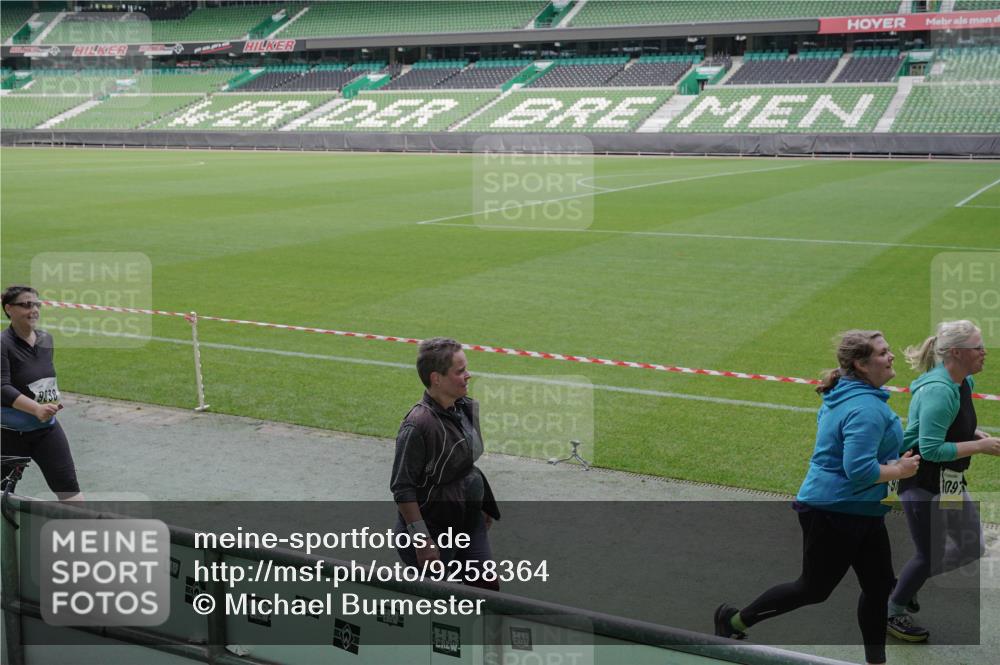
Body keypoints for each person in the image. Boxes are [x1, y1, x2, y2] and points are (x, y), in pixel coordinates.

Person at [715, 330, 919, 665]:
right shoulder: (865, 409)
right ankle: (734, 621)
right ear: (862, 365)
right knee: (813, 589)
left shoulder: (849, 394)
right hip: (834, 511)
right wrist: (901, 470)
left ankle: (876, 662)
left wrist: (897, 461)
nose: (891, 356)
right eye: (883, 352)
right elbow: (859, 470)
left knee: (879, 585)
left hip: (862, 509)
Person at [885, 320, 1000, 642]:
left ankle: (903, 584)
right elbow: (932, 449)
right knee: (930, 554)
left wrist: (971, 434)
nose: (984, 351)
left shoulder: (963, 380)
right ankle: (892, 609)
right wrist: (980, 445)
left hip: (949, 481)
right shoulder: (938, 390)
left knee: (970, 546)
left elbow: (948, 426)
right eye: (978, 347)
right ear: (956, 352)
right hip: (922, 481)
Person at [390, 337, 500, 590]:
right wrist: (422, 541)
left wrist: (477, 501)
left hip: (467, 520)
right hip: (433, 533)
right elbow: (403, 488)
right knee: (443, 610)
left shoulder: (465, 409)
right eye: (460, 371)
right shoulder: (417, 425)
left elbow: (463, 465)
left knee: (486, 590)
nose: (468, 375)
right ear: (436, 378)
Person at [1, 285, 82, 501]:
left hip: (47, 430)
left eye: (36, 304)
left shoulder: (46, 339)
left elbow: (43, 377)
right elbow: (2, 388)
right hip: (8, 434)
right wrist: (36, 408)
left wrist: (51, 400)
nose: (34, 309)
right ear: (9, 309)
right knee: (2, 493)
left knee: (70, 491)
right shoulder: (2, 344)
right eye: (26, 305)